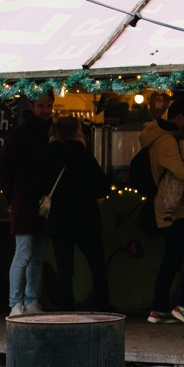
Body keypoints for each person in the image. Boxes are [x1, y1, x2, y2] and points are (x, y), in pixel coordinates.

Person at [140, 101, 184, 326]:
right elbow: (181, 172)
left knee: (173, 257)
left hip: (172, 207)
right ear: (180, 118)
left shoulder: (163, 137)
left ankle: (160, 308)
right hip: (174, 208)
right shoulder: (165, 140)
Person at [43, 116, 112, 310]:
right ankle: (101, 304)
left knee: (65, 268)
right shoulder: (83, 156)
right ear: (75, 132)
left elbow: (40, 184)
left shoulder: (48, 155)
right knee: (96, 265)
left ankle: (64, 307)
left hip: (58, 220)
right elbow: (102, 187)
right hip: (85, 218)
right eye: (81, 129)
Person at [0, 91, 53, 316]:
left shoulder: (40, 132)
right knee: (25, 254)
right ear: (31, 105)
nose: (46, 110)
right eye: (42, 106)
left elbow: (5, 171)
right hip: (27, 203)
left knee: (34, 255)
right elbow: (5, 170)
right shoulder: (23, 134)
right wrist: (12, 199)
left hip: (34, 203)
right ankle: (17, 302)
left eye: (49, 105)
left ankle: (28, 301)